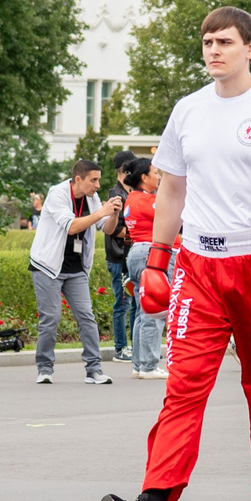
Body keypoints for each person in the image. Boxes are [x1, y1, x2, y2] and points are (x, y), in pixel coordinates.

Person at [98, 6, 251, 501]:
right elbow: (171, 191)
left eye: (224, 41)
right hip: (198, 267)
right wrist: (157, 259)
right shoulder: (188, 111)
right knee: (182, 388)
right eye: (206, 42)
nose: (214, 50)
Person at [29, 159, 120, 385]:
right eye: (93, 180)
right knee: (51, 318)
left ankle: (94, 370)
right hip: (48, 266)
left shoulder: (91, 198)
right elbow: (71, 226)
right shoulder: (57, 194)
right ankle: (45, 368)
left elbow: (106, 228)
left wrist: (114, 213)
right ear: (78, 179)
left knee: (87, 317)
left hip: (76, 268)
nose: (97, 185)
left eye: (98, 179)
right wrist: (102, 212)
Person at [121, 159, 165, 378]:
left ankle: (140, 365)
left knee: (142, 310)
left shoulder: (132, 198)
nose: (159, 177)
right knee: (154, 309)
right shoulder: (148, 201)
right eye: (156, 173)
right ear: (144, 178)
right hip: (154, 253)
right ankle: (148, 365)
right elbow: (174, 215)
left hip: (138, 252)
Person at [105, 152, 140, 358]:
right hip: (119, 256)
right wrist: (139, 229)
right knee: (122, 303)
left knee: (136, 302)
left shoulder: (132, 192)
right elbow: (115, 229)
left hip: (131, 255)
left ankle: (137, 346)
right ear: (127, 170)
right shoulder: (116, 195)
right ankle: (120, 347)